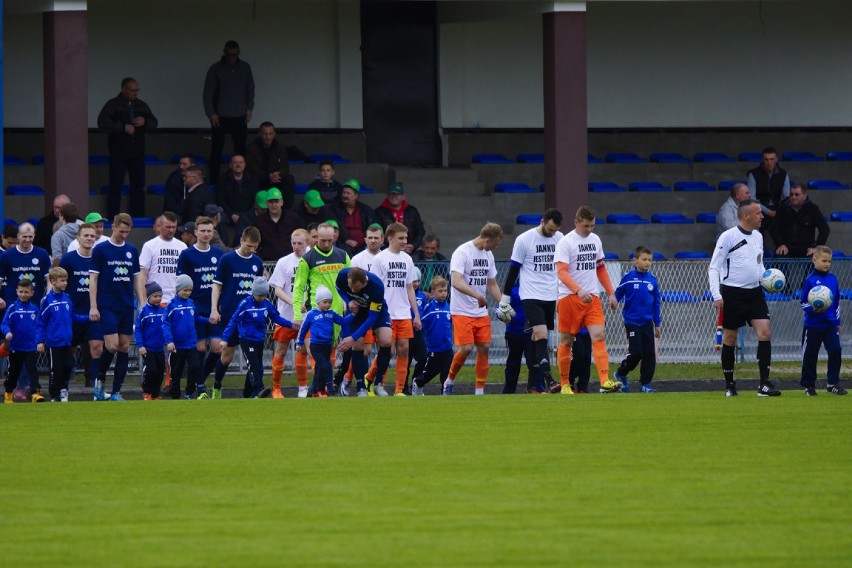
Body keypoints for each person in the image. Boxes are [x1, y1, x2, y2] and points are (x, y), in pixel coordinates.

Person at [708, 199, 780, 397]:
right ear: (746, 215)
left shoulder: (757, 236)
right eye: (758, 213)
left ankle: (764, 384)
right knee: (730, 338)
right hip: (732, 293)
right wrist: (717, 294)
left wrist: (768, 280)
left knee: (765, 333)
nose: (762, 216)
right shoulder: (728, 237)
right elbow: (714, 267)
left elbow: (759, 264)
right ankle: (730, 385)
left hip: (755, 293)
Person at [554, 206, 621, 394]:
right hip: (569, 297)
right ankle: (565, 384)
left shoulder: (596, 240)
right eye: (586, 226)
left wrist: (610, 292)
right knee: (567, 340)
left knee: (599, 336)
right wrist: (577, 290)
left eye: (592, 225)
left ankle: (605, 381)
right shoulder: (566, 242)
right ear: (576, 222)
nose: (589, 229)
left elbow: (600, 268)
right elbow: (561, 272)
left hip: (591, 296)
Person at [498, 208, 563, 394]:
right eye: (549, 229)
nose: (551, 233)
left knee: (536, 340)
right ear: (542, 221)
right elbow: (513, 270)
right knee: (542, 335)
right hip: (531, 295)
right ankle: (550, 381)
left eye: (554, 230)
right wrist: (505, 298)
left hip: (551, 296)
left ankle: (533, 385)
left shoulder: (560, 238)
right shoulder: (524, 240)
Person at [88, 213, 146, 402]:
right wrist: (94, 306)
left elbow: (137, 278)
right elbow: (93, 279)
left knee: (123, 347)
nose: (124, 235)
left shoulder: (131, 250)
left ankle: (116, 391)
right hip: (108, 304)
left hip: (126, 304)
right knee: (111, 346)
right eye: (121, 231)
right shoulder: (101, 250)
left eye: (127, 232)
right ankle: (99, 379)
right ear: (113, 226)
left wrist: (142, 301)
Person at [444, 222, 503, 395]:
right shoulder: (462, 252)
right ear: (487, 239)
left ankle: (479, 390)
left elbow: (491, 283)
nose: (495, 247)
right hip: (461, 310)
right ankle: (450, 380)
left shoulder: (488, 255)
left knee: (484, 346)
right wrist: (476, 295)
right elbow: (456, 281)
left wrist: (502, 303)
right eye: (495, 243)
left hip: (480, 311)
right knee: (467, 348)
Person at [208, 227, 264, 399]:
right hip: (231, 314)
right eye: (249, 246)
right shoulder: (227, 260)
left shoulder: (258, 263)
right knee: (226, 357)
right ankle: (217, 385)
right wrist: (214, 309)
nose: (252, 250)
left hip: (251, 317)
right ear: (241, 240)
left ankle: (251, 392)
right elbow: (217, 285)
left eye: (255, 247)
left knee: (254, 358)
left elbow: (259, 290)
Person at [370, 223, 421, 396]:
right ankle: (374, 380)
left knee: (404, 349)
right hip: (386, 312)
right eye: (401, 238)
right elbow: (374, 287)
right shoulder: (380, 259)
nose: (404, 241)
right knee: (388, 350)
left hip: (403, 312)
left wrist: (416, 315)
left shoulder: (407, 259)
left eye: (406, 238)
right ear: (390, 238)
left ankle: (400, 389)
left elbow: (409, 288)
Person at [223, 277, 295, 398]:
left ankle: (247, 394)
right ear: (253, 293)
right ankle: (259, 389)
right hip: (246, 339)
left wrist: (291, 325)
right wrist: (225, 339)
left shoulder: (266, 304)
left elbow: (276, 318)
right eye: (259, 295)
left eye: (264, 295)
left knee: (257, 367)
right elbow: (233, 321)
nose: (261, 298)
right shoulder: (245, 304)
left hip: (259, 340)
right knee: (254, 365)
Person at [97, 77, 158, 218]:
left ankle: (137, 217)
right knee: (115, 186)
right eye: (132, 90)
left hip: (137, 152)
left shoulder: (141, 105)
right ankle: (113, 217)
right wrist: (122, 127)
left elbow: (154, 123)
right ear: (124, 89)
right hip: (118, 152)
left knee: (138, 186)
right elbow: (102, 123)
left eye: (137, 90)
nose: (135, 93)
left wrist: (145, 121)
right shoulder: (113, 105)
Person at [177, 216, 225, 392]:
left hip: (214, 308)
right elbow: (181, 281)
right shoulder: (187, 254)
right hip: (195, 308)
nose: (206, 234)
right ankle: (195, 387)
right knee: (199, 348)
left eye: (209, 231)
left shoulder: (218, 254)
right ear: (196, 232)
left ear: (213, 233)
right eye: (203, 231)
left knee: (218, 348)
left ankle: (200, 380)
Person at [335, 267, 392, 397]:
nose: (352, 290)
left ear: (365, 282)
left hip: (375, 311)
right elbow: (338, 288)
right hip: (356, 310)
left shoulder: (377, 286)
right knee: (358, 345)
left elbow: (371, 318)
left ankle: (378, 384)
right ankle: (361, 387)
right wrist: (349, 301)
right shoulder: (343, 275)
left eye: (356, 288)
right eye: (350, 287)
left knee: (386, 340)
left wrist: (353, 337)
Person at [203, 40, 254, 185]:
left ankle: (242, 180)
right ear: (224, 53)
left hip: (240, 115)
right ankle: (214, 181)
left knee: (240, 150)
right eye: (229, 54)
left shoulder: (245, 67)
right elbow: (208, 93)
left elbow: (250, 90)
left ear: (238, 53)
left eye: (235, 54)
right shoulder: (215, 69)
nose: (232, 57)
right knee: (216, 150)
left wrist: (249, 108)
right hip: (220, 116)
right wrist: (211, 113)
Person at [268, 229, 311, 398]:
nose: (296, 246)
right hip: (286, 315)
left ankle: (303, 387)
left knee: (303, 350)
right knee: (281, 351)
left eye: (300, 243)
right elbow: (277, 290)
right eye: (293, 243)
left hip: (307, 316)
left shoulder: (311, 260)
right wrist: (294, 303)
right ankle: (276, 388)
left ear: (308, 242)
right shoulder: (284, 262)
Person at [612, 246, 662, 393]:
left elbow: (656, 303)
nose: (647, 263)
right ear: (635, 260)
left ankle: (645, 384)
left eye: (650, 260)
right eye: (644, 259)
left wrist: (657, 324)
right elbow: (618, 293)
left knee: (649, 354)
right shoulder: (628, 278)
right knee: (636, 353)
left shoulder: (652, 280)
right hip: (632, 322)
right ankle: (621, 373)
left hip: (647, 322)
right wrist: (614, 301)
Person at [36, 267, 89, 402]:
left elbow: (73, 316)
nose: (65, 283)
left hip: (66, 340)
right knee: (55, 368)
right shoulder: (46, 300)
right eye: (62, 281)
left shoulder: (67, 298)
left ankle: (64, 390)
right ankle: (54, 394)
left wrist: (88, 318)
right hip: (53, 342)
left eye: (66, 280)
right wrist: (39, 341)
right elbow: (40, 322)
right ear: (53, 281)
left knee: (68, 366)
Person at [799, 246, 845, 396]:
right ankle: (809, 386)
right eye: (824, 260)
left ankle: (832, 383)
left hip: (830, 324)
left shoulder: (833, 279)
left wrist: (837, 322)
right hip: (813, 325)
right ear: (814, 260)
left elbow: (836, 301)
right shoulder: (810, 280)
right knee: (810, 355)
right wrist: (814, 309)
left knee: (836, 350)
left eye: (829, 261)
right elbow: (803, 302)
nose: (827, 264)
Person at [59, 223, 99, 388]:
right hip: (72, 312)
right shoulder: (68, 258)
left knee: (93, 348)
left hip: (92, 311)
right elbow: (59, 281)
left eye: (92, 236)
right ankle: (65, 381)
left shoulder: (98, 257)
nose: (89, 238)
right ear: (78, 238)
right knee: (70, 347)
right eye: (86, 235)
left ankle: (92, 383)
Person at [296, 284, 352, 397]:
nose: (328, 305)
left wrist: (354, 315)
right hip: (316, 346)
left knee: (320, 368)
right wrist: (299, 342)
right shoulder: (311, 314)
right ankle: (329, 390)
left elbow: (342, 321)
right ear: (318, 302)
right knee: (325, 366)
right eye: (325, 302)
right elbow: (303, 329)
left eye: (329, 302)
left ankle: (313, 390)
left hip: (327, 345)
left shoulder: (331, 314)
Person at [164, 274, 211, 399]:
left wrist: (208, 320)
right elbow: (166, 323)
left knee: (195, 366)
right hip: (177, 345)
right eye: (185, 290)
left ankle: (189, 392)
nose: (188, 293)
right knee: (176, 371)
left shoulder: (191, 303)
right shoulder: (171, 305)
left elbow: (197, 319)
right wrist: (169, 341)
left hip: (191, 343)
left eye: (190, 290)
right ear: (178, 289)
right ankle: (175, 395)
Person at [2, 279, 44, 403]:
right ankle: (9, 393)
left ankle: (35, 393)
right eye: (21, 292)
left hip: (30, 347)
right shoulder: (13, 308)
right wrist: (7, 332)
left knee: (32, 370)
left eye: (26, 292)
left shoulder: (35, 309)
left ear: (32, 293)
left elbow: (39, 327)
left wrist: (39, 341)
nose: (23, 294)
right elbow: (4, 323)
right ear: (17, 292)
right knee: (14, 372)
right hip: (16, 347)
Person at [411, 275, 453, 395]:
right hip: (434, 349)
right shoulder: (429, 308)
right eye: (440, 291)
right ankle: (418, 383)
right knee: (429, 373)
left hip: (447, 348)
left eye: (445, 291)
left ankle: (445, 393)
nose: (443, 293)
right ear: (433, 292)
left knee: (447, 372)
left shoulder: (449, 307)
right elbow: (421, 324)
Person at [500, 279, 544, 395]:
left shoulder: (535, 288)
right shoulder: (511, 291)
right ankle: (509, 390)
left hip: (531, 333)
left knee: (534, 361)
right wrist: (503, 316)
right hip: (514, 332)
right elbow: (499, 308)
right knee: (513, 364)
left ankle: (537, 388)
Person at [746, 146, 790, 249]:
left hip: (777, 208)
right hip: (758, 208)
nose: (769, 162)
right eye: (766, 159)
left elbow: (787, 197)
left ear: (776, 160)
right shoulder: (753, 174)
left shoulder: (783, 174)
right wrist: (767, 211)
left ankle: (782, 252)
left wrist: (779, 211)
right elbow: (751, 198)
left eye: (772, 159)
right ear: (762, 160)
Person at [770, 184, 830, 258]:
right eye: (791, 194)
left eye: (797, 195)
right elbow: (774, 228)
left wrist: (816, 247)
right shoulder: (782, 208)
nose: (793, 197)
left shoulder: (813, 208)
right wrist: (780, 244)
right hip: (787, 246)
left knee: (815, 257)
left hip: (807, 247)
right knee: (779, 256)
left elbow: (825, 229)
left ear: (804, 196)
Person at [139, 212, 187, 304]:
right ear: (160, 226)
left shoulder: (182, 246)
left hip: (177, 300)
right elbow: (142, 275)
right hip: (155, 300)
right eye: (168, 227)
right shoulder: (149, 246)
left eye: (174, 227)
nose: (171, 230)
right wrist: (143, 300)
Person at [245, 122, 295, 207]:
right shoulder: (252, 148)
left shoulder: (280, 147)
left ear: (274, 134)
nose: (268, 137)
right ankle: (255, 209)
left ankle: (286, 210)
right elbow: (252, 168)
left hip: (276, 179)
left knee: (289, 179)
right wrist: (268, 176)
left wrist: (278, 174)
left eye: (270, 134)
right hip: (261, 179)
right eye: (265, 134)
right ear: (260, 134)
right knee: (253, 179)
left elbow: (284, 165)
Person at [217, 154, 260, 245]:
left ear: (245, 165)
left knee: (246, 219)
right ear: (230, 165)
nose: (238, 165)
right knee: (219, 217)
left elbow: (256, 199)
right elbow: (220, 200)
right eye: (235, 163)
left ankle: (238, 246)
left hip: (247, 212)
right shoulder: (223, 178)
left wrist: (246, 214)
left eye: (241, 162)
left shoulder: (253, 178)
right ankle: (224, 245)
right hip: (229, 213)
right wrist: (232, 214)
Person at [327, 179, 377, 256]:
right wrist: (346, 240)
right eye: (343, 193)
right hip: (342, 246)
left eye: (348, 193)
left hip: (363, 247)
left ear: (356, 195)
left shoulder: (366, 210)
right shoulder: (334, 209)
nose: (345, 195)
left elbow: (373, 228)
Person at [374, 182, 425, 253]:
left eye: (397, 194)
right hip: (388, 250)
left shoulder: (412, 211)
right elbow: (377, 233)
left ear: (403, 196)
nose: (393, 196)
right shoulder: (379, 212)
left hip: (410, 250)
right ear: (387, 196)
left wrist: (413, 245)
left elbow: (420, 231)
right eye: (391, 194)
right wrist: (392, 247)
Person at [135, 282, 166, 400]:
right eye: (155, 296)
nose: (158, 299)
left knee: (160, 371)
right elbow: (138, 330)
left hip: (159, 347)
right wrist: (140, 345)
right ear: (149, 297)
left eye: (160, 296)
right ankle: (147, 391)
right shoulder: (144, 312)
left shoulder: (163, 311)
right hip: (148, 348)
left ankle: (156, 393)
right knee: (151, 370)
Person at [254, 187, 301, 261]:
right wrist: (261, 265)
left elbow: (301, 239)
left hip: (290, 262)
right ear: (266, 203)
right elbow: (255, 245)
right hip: (268, 264)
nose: (274, 205)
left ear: (281, 202)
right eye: (271, 202)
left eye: (276, 201)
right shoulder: (259, 221)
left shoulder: (293, 218)